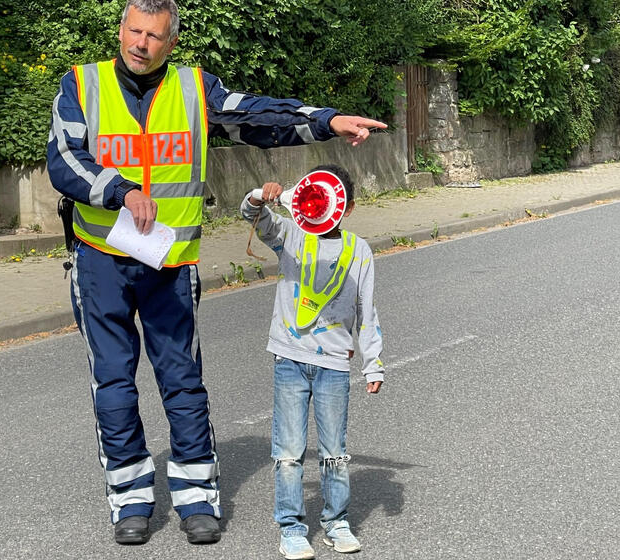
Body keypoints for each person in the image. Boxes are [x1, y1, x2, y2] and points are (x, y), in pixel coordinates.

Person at [46, 0, 387, 547]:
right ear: (121, 29)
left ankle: (195, 495)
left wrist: (327, 121)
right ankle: (129, 496)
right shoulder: (80, 85)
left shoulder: (194, 89)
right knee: (113, 381)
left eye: (154, 36)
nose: (141, 43)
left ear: (170, 41)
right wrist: (122, 190)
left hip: (171, 265)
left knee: (182, 380)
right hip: (100, 258)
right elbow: (63, 159)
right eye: (134, 31)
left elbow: (257, 116)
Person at [239, 164, 385, 559]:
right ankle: (291, 527)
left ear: (347, 208)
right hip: (289, 358)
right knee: (288, 451)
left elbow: (366, 311)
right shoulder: (291, 233)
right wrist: (260, 195)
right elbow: (253, 216)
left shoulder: (359, 251)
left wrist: (373, 362)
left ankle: (336, 522)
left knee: (333, 451)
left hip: (335, 363)